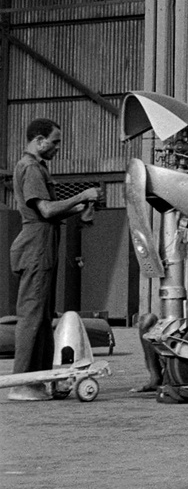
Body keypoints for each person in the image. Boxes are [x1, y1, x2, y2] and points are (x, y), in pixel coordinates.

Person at [9, 119, 101, 401]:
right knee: (32, 316)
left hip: (44, 245)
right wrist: (81, 196)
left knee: (43, 316)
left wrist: (79, 208)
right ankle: (22, 383)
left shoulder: (38, 168)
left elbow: (49, 213)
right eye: (55, 141)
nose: (58, 148)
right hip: (36, 246)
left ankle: (38, 379)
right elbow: (46, 210)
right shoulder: (31, 168)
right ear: (39, 140)